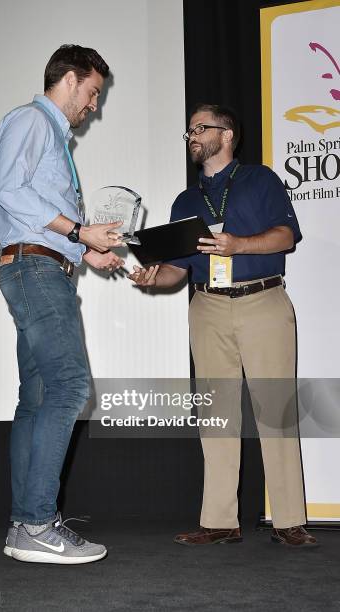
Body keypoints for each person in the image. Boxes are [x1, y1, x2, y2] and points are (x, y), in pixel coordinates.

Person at [129, 104, 318, 548]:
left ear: (227, 134)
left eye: (200, 128)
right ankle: (219, 521)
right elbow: (178, 270)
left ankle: (290, 519)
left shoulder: (261, 179)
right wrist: (154, 278)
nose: (192, 135)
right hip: (207, 307)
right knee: (215, 414)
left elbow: (286, 237)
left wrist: (237, 245)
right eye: (189, 130)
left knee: (276, 411)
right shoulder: (186, 201)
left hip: (263, 299)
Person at [0, 44, 124, 564]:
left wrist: (86, 248)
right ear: (69, 79)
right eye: (92, 93)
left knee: (39, 399)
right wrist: (78, 229)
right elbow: (11, 192)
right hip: (36, 271)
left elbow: (34, 209)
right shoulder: (32, 121)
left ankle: (23, 527)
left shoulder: (48, 134)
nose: (94, 106)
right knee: (69, 388)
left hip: (39, 266)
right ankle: (36, 523)